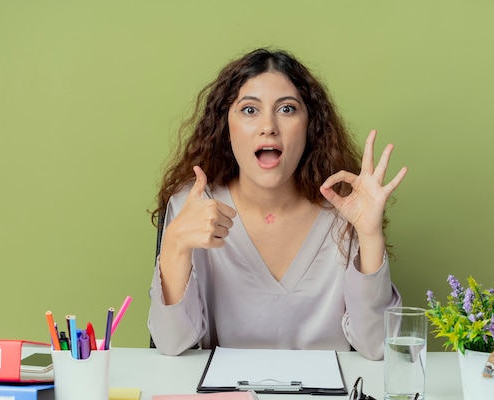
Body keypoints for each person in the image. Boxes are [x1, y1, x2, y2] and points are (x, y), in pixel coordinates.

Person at [147, 48, 407, 360]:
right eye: (249, 110)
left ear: (310, 127)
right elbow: (170, 344)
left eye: (286, 109)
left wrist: (369, 234)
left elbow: (377, 345)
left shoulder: (346, 209)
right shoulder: (194, 206)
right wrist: (174, 244)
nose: (268, 126)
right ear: (224, 127)